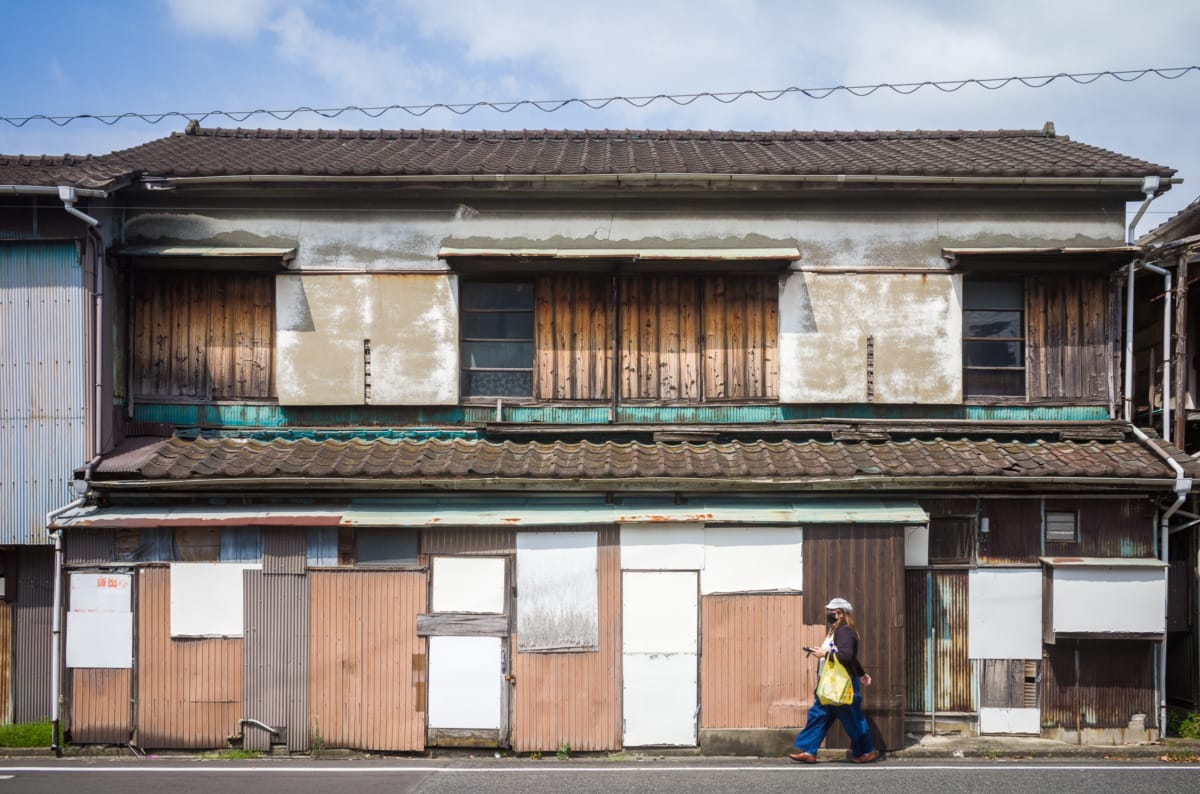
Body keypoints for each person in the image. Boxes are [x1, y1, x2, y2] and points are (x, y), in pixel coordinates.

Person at [788, 597, 878, 764]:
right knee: (818, 715)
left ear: (841, 614)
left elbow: (846, 655)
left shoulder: (844, 631)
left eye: (832, 611)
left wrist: (825, 654)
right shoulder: (836, 631)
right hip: (829, 683)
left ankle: (866, 752)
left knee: (852, 718)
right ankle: (809, 751)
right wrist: (861, 673)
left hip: (841, 684)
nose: (829, 614)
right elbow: (849, 657)